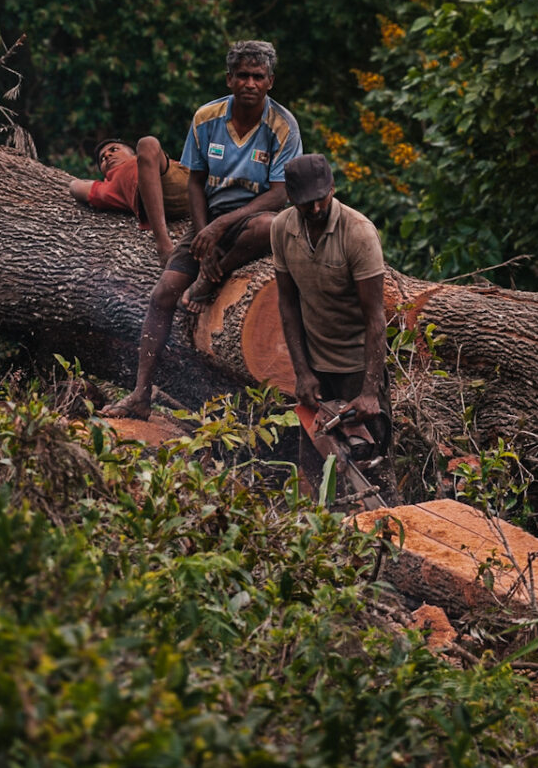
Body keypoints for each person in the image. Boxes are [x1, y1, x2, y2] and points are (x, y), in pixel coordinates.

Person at [107, 40, 300, 418]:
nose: (249, 83)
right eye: (242, 75)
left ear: (270, 82)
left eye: (257, 77)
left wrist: (223, 230)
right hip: (210, 218)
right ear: (229, 79)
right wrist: (202, 237)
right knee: (162, 295)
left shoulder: (283, 126)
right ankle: (140, 394)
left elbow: (280, 195)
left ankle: (214, 277)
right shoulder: (207, 117)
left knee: (269, 225)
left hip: (252, 219)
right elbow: (195, 181)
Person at [271, 152, 390, 464]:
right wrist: (302, 372)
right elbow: (287, 302)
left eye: (321, 198)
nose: (315, 208)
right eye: (305, 202)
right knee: (315, 467)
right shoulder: (281, 229)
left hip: (356, 366)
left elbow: (375, 318)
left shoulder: (358, 233)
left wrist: (369, 391)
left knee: (369, 465)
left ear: (333, 187)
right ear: (291, 197)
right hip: (315, 367)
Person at [68, 137, 191, 266]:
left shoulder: (141, 157)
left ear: (133, 154)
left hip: (178, 180)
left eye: (114, 150)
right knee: (147, 143)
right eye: (102, 159)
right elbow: (75, 186)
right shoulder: (109, 186)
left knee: (147, 143)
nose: (107, 156)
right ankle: (163, 244)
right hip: (157, 200)